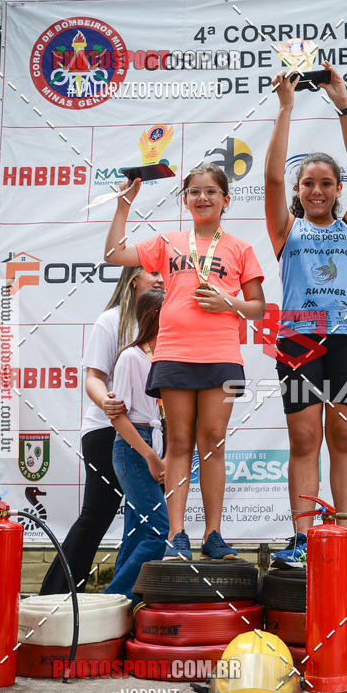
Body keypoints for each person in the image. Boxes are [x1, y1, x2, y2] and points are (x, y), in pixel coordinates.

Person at [104, 164, 265, 561]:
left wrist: (228, 302)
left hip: (222, 355)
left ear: (226, 200)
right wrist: (124, 205)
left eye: (211, 192)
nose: (203, 198)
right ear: (185, 199)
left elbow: (258, 308)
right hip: (174, 353)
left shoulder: (240, 248)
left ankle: (213, 534)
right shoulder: (169, 241)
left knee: (212, 443)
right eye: (194, 192)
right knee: (179, 443)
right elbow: (113, 254)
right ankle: (177, 536)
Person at [264, 61, 347, 567]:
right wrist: (287, 107)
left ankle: (346, 537)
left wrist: (343, 102)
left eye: (327, 183)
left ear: (337, 188)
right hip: (299, 340)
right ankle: (303, 538)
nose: (317, 190)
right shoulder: (286, 229)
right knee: (304, 438)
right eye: (309, 183)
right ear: (299, 189)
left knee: (343, 436)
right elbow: (269, 175)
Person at [40, 266, 164, 594]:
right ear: (133, 278)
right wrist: (107, 402)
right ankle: (55, 597)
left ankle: (122, 600)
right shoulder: (112, 320)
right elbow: (93, 377)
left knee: (141, 524)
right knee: (97, 515)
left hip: (147, 433)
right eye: (152, 271)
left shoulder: (165, 318)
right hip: (107, 431)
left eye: (163, 270)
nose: (161, 277)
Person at [103, 289, 169, 603]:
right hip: (134, 446)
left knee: (136, 532)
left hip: (150, 444)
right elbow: (120, 418)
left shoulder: (162, 357)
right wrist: (152, 456)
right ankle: (115, 598)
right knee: (158, 529)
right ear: (156, 315)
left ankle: (117, 608)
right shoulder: (131, 357)